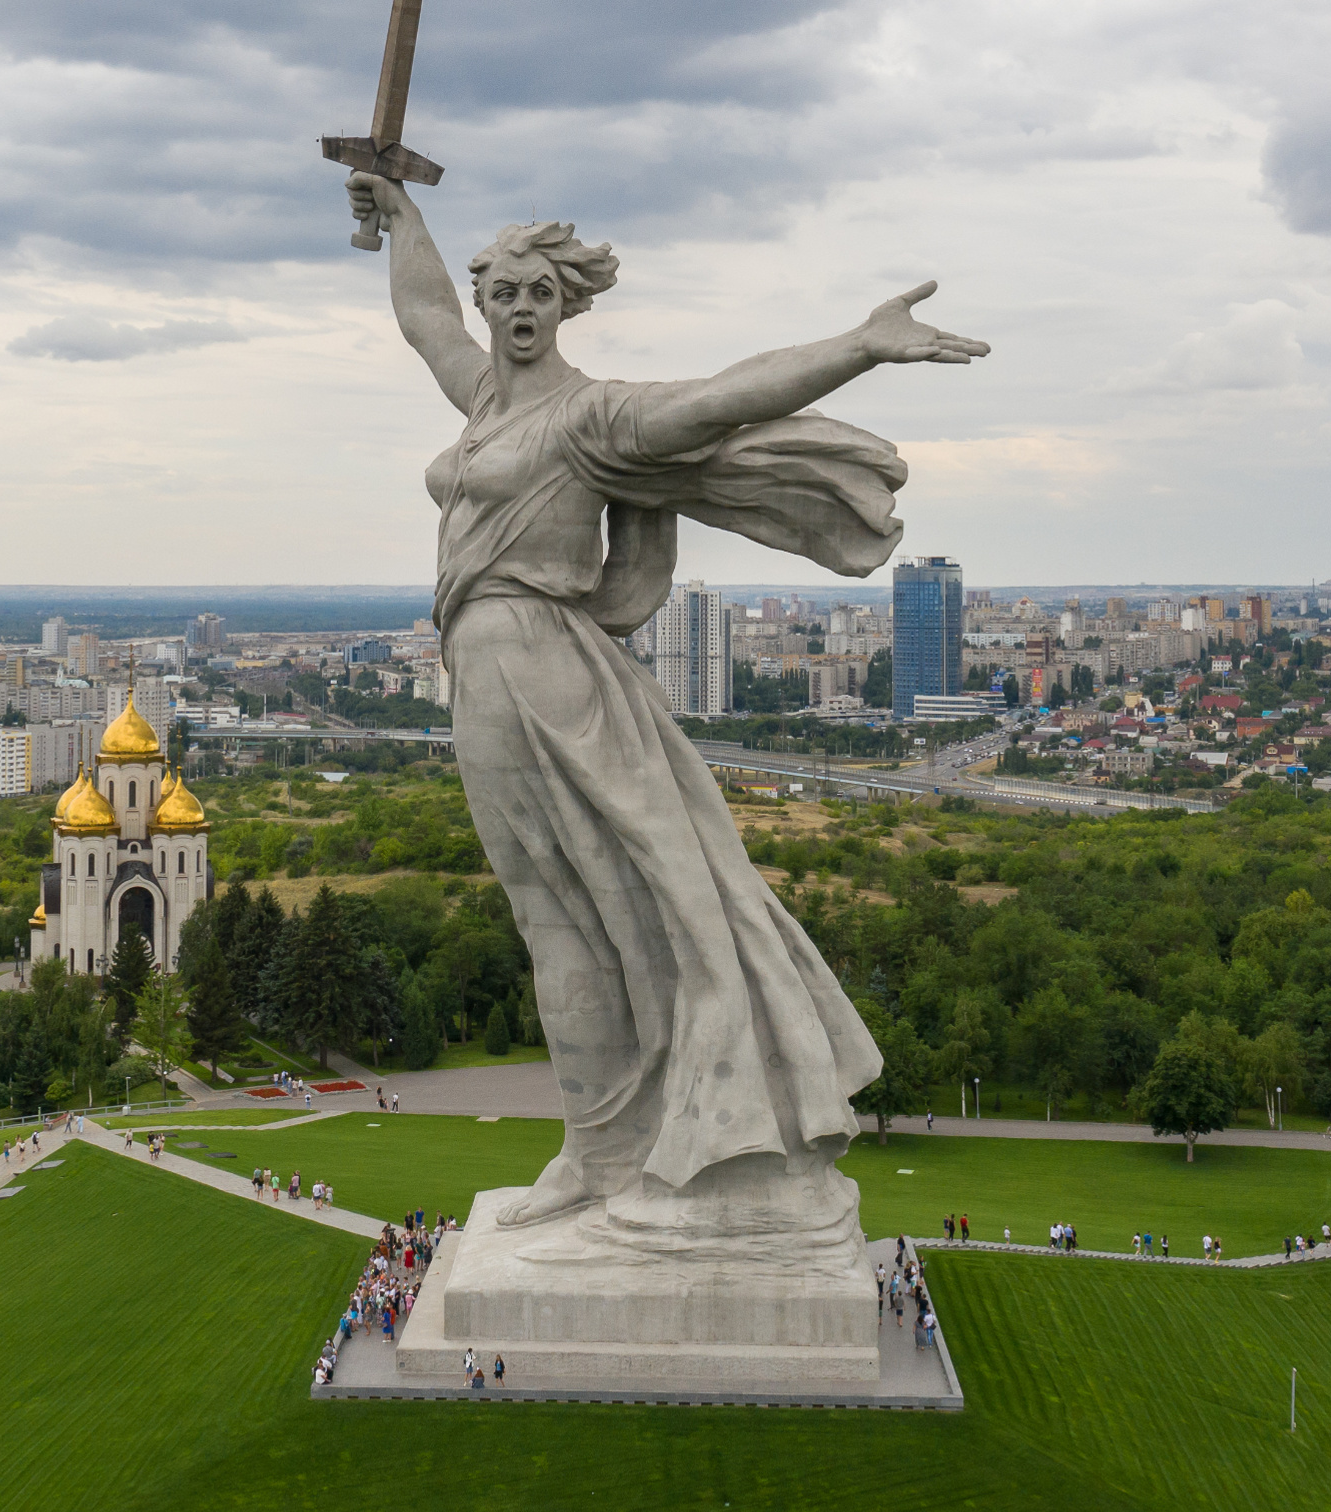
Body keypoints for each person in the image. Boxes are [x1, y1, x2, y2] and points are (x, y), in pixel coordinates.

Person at [345, 178, 982, 1242]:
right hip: (487, 671)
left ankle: (662, 1138)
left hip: (548, 670)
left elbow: (727, 397)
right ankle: (596, 1150)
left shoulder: (594, 414)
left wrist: (862, 345)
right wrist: (399, 209)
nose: (516, 307)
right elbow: (422, 317)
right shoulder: (487, 401)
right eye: (501, 289)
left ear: (565, 305)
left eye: (539, 291)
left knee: (636, 905)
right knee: (554, 920)